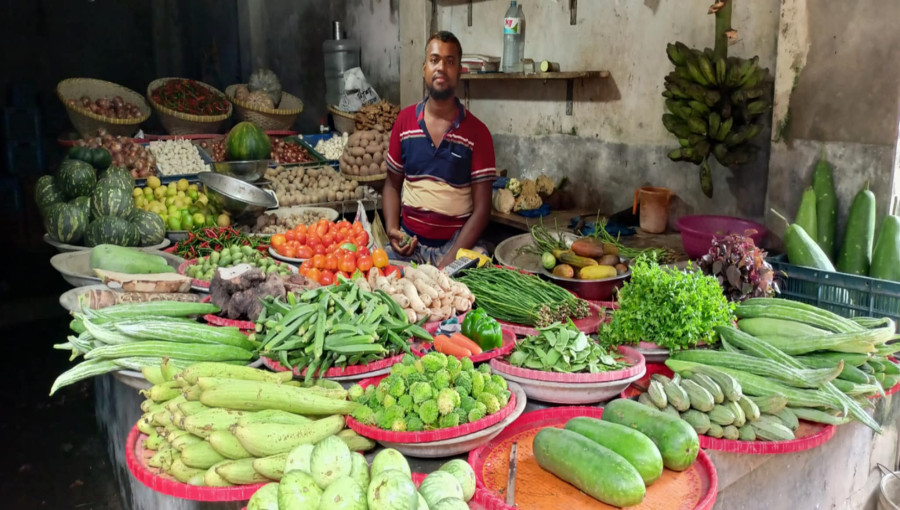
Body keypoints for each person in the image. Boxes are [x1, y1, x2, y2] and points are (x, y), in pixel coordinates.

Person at [382, 30, 496, 268]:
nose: (441, 67)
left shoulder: (477, 133)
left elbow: (483, 209)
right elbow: (392, 185)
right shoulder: (404, 122)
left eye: (450, 61)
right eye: (434, 60)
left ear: (460, 72)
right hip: (409, 246)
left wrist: (448, 261)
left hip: (457, 246)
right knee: (374, 276)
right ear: (424, 68)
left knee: (478, 277)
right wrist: (393, 230)